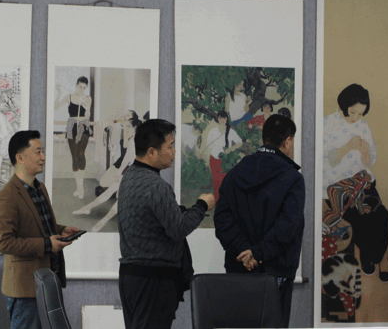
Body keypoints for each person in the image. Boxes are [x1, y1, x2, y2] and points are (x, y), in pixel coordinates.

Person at [117, 119, 216, 329]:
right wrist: (201, 206)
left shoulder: (129, 176)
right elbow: (178, 229)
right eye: (170, 146)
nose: (174, 152)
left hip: (131, 275)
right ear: (152, 152)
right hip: (154, 280)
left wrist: (177, 211)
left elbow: (149, 218)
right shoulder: (156, 186)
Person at [214, 114, 305, 327]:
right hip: (276, 271)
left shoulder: (234, 173)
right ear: (287, 141)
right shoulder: (293, 178)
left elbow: (222, 220)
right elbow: (287, 226)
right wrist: (258, 253)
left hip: (238, 269)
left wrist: (245, 251)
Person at [0, 130, 81, 329]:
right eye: (38, 152)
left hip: (48, 282)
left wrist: (61, 230)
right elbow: (4, 242)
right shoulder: (6, 197)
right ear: (20, 158)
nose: (43, 157)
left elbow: (38, 225)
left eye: (43, 152)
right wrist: (48, 244)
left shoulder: (40, 187)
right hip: (25, 289)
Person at [322, 84, 388, 281]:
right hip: (338, 187)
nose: (356, 118)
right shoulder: (327, 124)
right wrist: (348, 146)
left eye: (361, 113)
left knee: (382, 216)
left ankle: (377, 255)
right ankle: (369, 255)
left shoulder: (363, 125)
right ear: (343, 105)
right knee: (360, 222)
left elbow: (370, 161)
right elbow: (326, 160)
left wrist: (366, 152)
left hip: (363, 182)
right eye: (353, 112)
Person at [73, 111, 142, 232]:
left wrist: (126, 176)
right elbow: (126, 159)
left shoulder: (138, 141)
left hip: (136, 174)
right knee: (110, 191)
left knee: (120, 198)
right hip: (129, 171)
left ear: (135, 127)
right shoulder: (132, 140)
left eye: (128, 127)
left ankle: (102, 221)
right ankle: (88, 208)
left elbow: (138, 161)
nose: (126, 129)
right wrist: (118, 173)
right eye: (125, 126)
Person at [55, 76, 92, 199]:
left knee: (81, 153)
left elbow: (87, 116)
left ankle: (81, 188)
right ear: (76, 85)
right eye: (80, 87)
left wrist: (86, 106)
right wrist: (59, 93)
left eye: (84, 88)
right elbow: (56, 107)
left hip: (83, 126)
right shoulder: (69, 97)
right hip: (72, 127)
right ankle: (79, 187)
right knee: (75, 156)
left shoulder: (88, 98)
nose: (82, 89)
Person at [205, 111, 242, 201]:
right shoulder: (212, 131)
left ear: (226, 119)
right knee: (216, 182)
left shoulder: (231, 131)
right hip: (214, 159)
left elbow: (239, 142)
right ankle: (218, 203)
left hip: (225, 161)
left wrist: (230, 149)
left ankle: (225, 202)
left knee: (225, 182)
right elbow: (208, 145)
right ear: (218, 119)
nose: (222, 120)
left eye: (224, 118)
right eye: (220, 118)